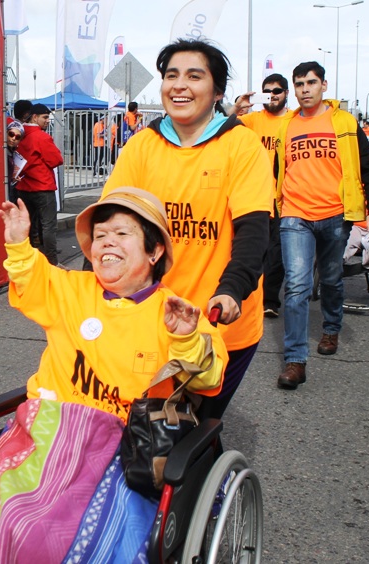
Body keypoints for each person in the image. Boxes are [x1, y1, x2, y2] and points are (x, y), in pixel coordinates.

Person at [0, 188, 227, 561]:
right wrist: (17, 243)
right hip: (48, 436)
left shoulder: (175, 312)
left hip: (127, 449)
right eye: (99, 236)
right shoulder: (71, 289)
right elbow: (32, 276)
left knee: (96, 540)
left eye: (122, 233)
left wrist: (185, 336)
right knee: (5, 521)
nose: (106, 242)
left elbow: (209, 378)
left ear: (154, 250)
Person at [103, 38, 273, 421]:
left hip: (219, 323)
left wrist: (232, 291)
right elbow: (111, 224)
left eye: (194, 76)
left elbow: (254, 233)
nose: (179, 85)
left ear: (216, 92)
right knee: (138, 428)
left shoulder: (241, 145)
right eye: (171, 75)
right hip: (149, 318)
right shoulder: (142, 145)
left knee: (191, 430)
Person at [274, 61, 369, 389]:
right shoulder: (287, 125)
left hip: (335, 214)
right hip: (294, 214)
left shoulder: (344, 122)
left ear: (324, 85)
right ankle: (295, 361)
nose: (304, 89)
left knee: (332, 279)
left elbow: (367, 167)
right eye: (299, 84)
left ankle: (331, 328)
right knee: (296, 285)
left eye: (310, 83)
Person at [231, 72, 292, 318]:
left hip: (284, 196)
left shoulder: (293, 121)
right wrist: (236, 109)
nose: (272, 95)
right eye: (267, 91)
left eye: (277, 91)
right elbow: (222, 128)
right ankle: (246, 294)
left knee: (276, 252)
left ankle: (270, 300)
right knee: (254, 247)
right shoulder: (254, 119)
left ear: (286, 93)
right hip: (255, 193)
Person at [15, 103, 63, 266]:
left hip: (24, 187)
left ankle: (28, 260)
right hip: (43, 187)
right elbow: (57, 159)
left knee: (28, 226)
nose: (47, 120)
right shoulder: (41, 137)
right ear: (34, 117)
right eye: (45, 117)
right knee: (48, 226)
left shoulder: (19, 135)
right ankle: (51, 262)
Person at [5, 120, 23, 203]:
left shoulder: (12, 153)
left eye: (17, 137)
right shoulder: (2, 151)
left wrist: (13, 178)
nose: (13, 138)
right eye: (11, 134)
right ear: (6, 133)